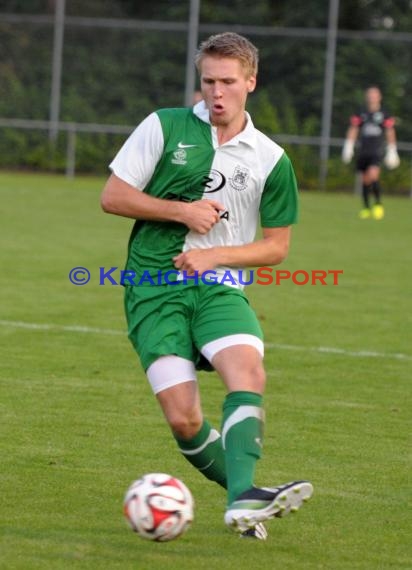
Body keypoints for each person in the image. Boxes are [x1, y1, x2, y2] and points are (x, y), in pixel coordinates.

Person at [101, 32, 313, 540]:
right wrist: (183, 211)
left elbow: (276, 247)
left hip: (219, 286)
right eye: (208, 81)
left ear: (250, 83)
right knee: (184, 419)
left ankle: (244, 497)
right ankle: (239, 492)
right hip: (152, 288)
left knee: (248, 371)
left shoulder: (269, 158)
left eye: (227, 82)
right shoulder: (165, 126)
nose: (216, 93)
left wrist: (216, 255)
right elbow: (113, 196)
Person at [342, 86, 400, 220]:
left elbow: (390, 131)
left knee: (373, 175)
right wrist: (348, 146)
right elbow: (354, 128)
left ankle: (378, 204)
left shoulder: (384, 114)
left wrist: (392, 149)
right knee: (365, 180)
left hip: (376, 150)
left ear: (379, 97)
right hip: (363, 151)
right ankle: (366, 207)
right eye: (370, 94)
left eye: (375, 95)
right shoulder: (361, 112)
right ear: (366, 97)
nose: (372, 97)